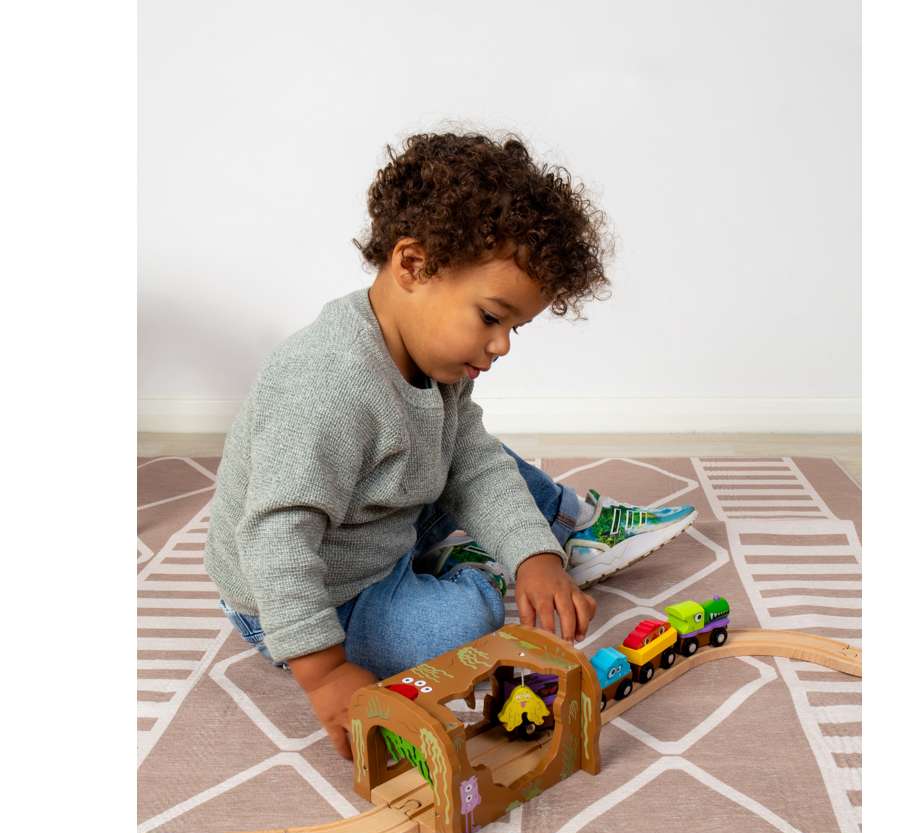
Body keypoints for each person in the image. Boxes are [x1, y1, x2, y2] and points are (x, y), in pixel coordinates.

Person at [205, 131, 696, 760]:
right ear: (413, 266)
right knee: (466, 626)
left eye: (514, 328)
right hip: (315, 591)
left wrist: (533, 558)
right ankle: (469, 566)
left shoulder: (432, 359)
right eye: (491, 317)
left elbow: (474, 464)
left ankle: (562, 529)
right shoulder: (325, 384)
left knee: (480, 456)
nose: (502, 345)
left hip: (382, 517)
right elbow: (276, 540)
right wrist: (325, 673)